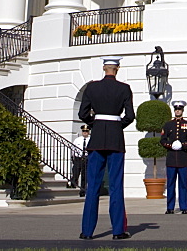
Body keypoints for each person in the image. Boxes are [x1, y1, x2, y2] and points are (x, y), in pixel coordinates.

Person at [78, 56, 136, 240]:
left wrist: (95, 123)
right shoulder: (124, 89)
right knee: (116, 186)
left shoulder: (92, 87)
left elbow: (82, 113)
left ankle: (87, 231)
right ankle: (118, 231)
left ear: (104, 68)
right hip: (115, 139)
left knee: (93, 185)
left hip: (96, 140)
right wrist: (117, 125)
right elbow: (130, 115)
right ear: (117, 69)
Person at [160, 100, 187, 214]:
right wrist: (170, 146)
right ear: (174, 110)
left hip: (183, 158)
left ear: (182, 111)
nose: (178, 111)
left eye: (179, 109)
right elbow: (163, 140)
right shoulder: (168, 124)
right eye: (176, 109)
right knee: (170, 184)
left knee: (183, 183)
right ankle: (170, 207)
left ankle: (184, 207)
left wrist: (182, 145)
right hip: (171, 158)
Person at [71, 125, 90, 196]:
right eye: (84, 131)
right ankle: (73, 184)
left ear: (89, 132)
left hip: (86, 158)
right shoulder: (77, 140)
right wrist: (73, 157)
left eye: (86, 131)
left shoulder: (90, 139)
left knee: (84, 176)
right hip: (78, 158)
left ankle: (82, 191)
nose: (85, 132)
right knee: (76, 173)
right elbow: (73, 148)